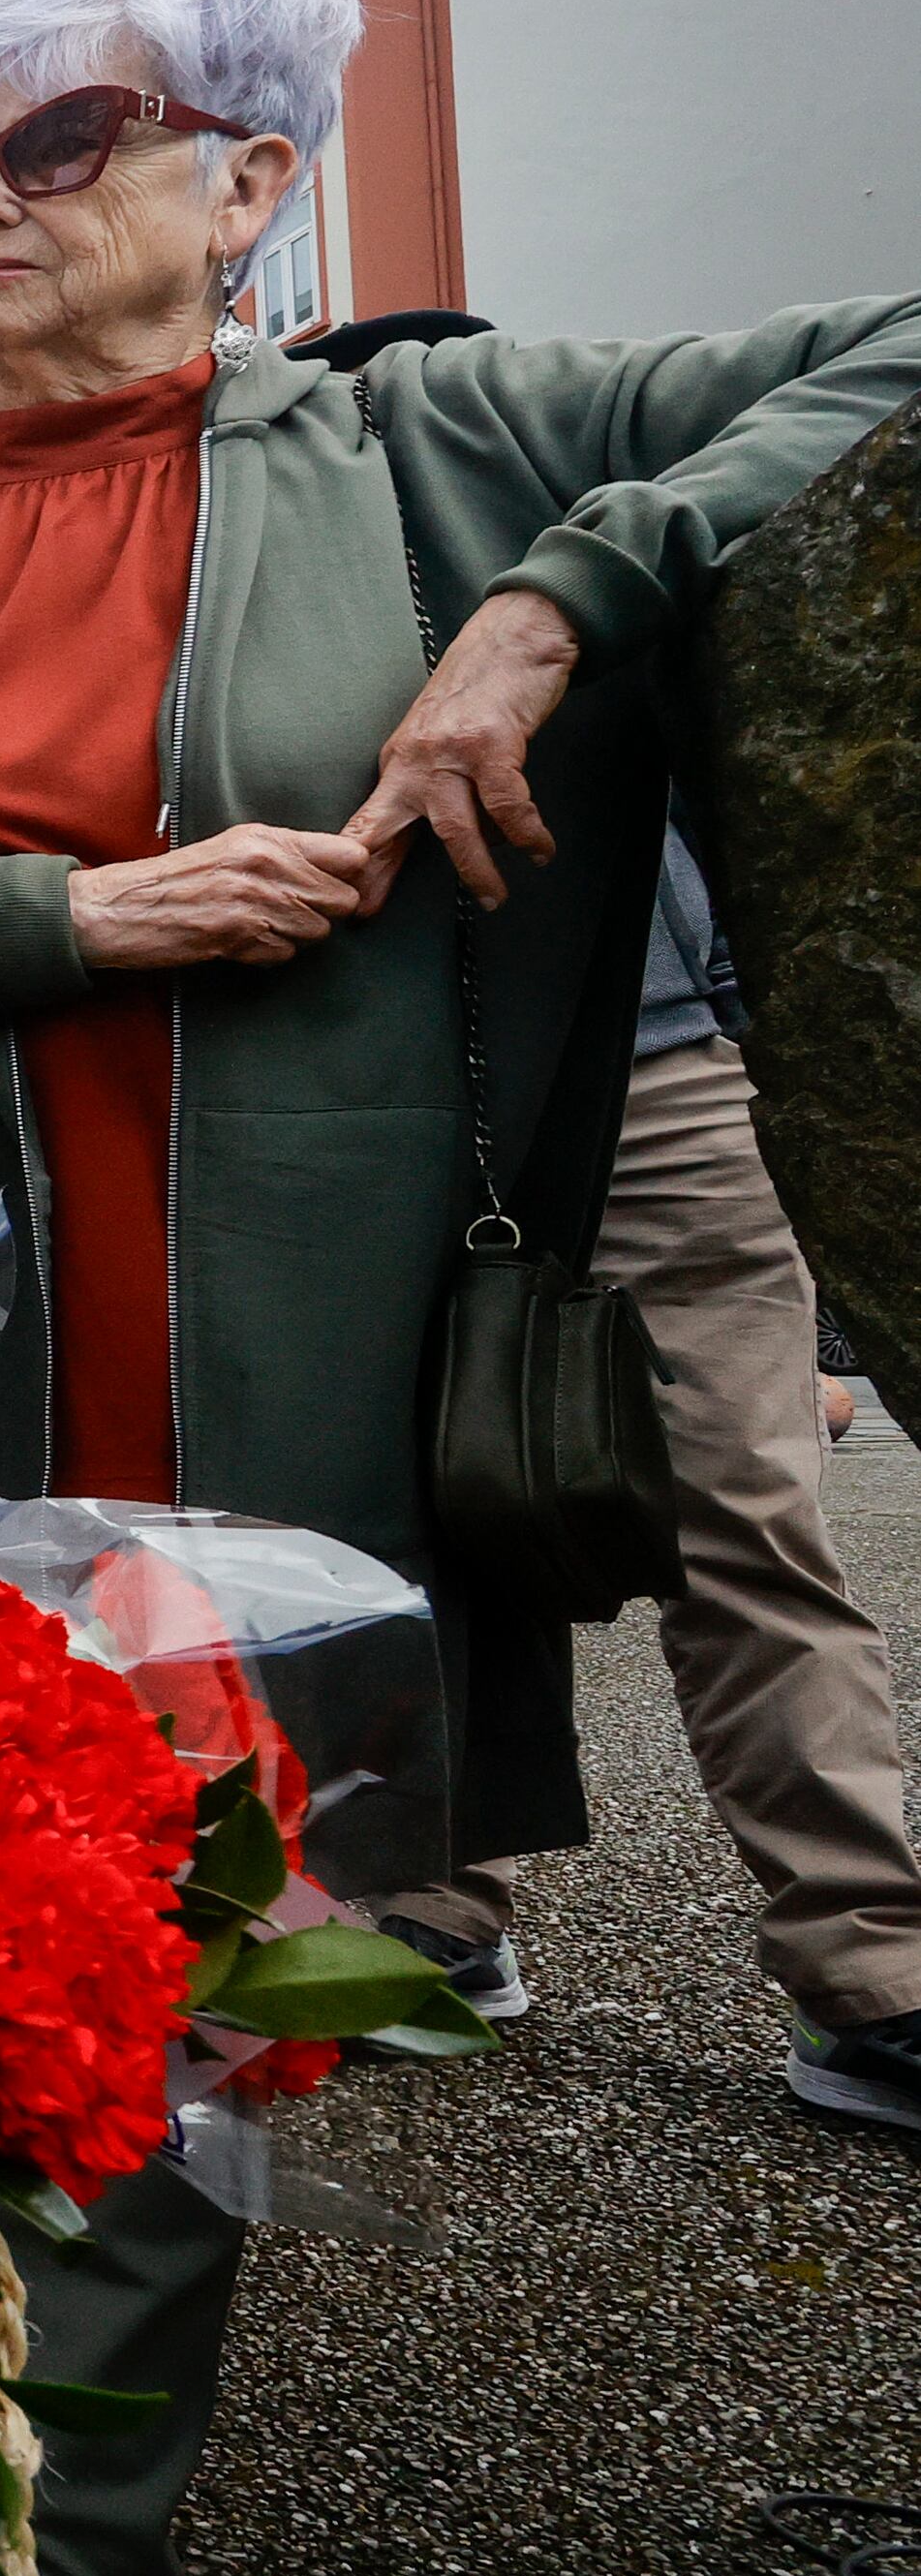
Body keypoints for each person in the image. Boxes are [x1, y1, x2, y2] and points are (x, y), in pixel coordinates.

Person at [0, 0, 921, 2576]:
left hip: (296, 1377)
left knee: (162, 1966)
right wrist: (62, 917)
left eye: (47, 146)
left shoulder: (439, 443)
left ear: (242, 182)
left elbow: (888, 349)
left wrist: (555, 605)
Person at [379, 826, 921, 2096]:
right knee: (415, 1496)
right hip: (360, 1039)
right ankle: (432, 1903)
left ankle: (877, 1970)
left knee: (743, 1513)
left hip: (656, 1043)